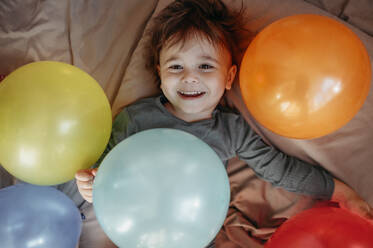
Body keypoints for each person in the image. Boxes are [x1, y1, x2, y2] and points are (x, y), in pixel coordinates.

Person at [76, 0, 373, 246]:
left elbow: (279, 170)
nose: (189, 77)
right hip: (136, 229)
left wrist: (338, 191)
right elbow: (106, 164)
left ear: (229, 78)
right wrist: (93, 183)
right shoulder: (137, 118)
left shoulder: (231, 131)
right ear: (160, 74)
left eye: (205, 66)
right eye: (175, 66)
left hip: (194, 233)